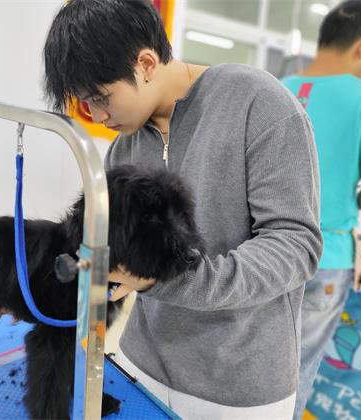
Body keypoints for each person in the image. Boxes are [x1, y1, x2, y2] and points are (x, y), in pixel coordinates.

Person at [43, 1, 323, 418]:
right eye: (86, 104)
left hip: (236, 389)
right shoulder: (124, 150)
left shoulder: (257, 104)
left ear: (145, 63)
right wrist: (13, 284)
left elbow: (295, 246)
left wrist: (171, 280)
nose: (98, 117)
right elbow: (102, 247)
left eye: (102, 99)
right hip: (142, 364)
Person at [281, 2, 361, 419]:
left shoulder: (278, 86)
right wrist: (352, 202)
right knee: (296, 370)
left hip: (265, 250)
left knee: (254, 361)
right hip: (326, 254)